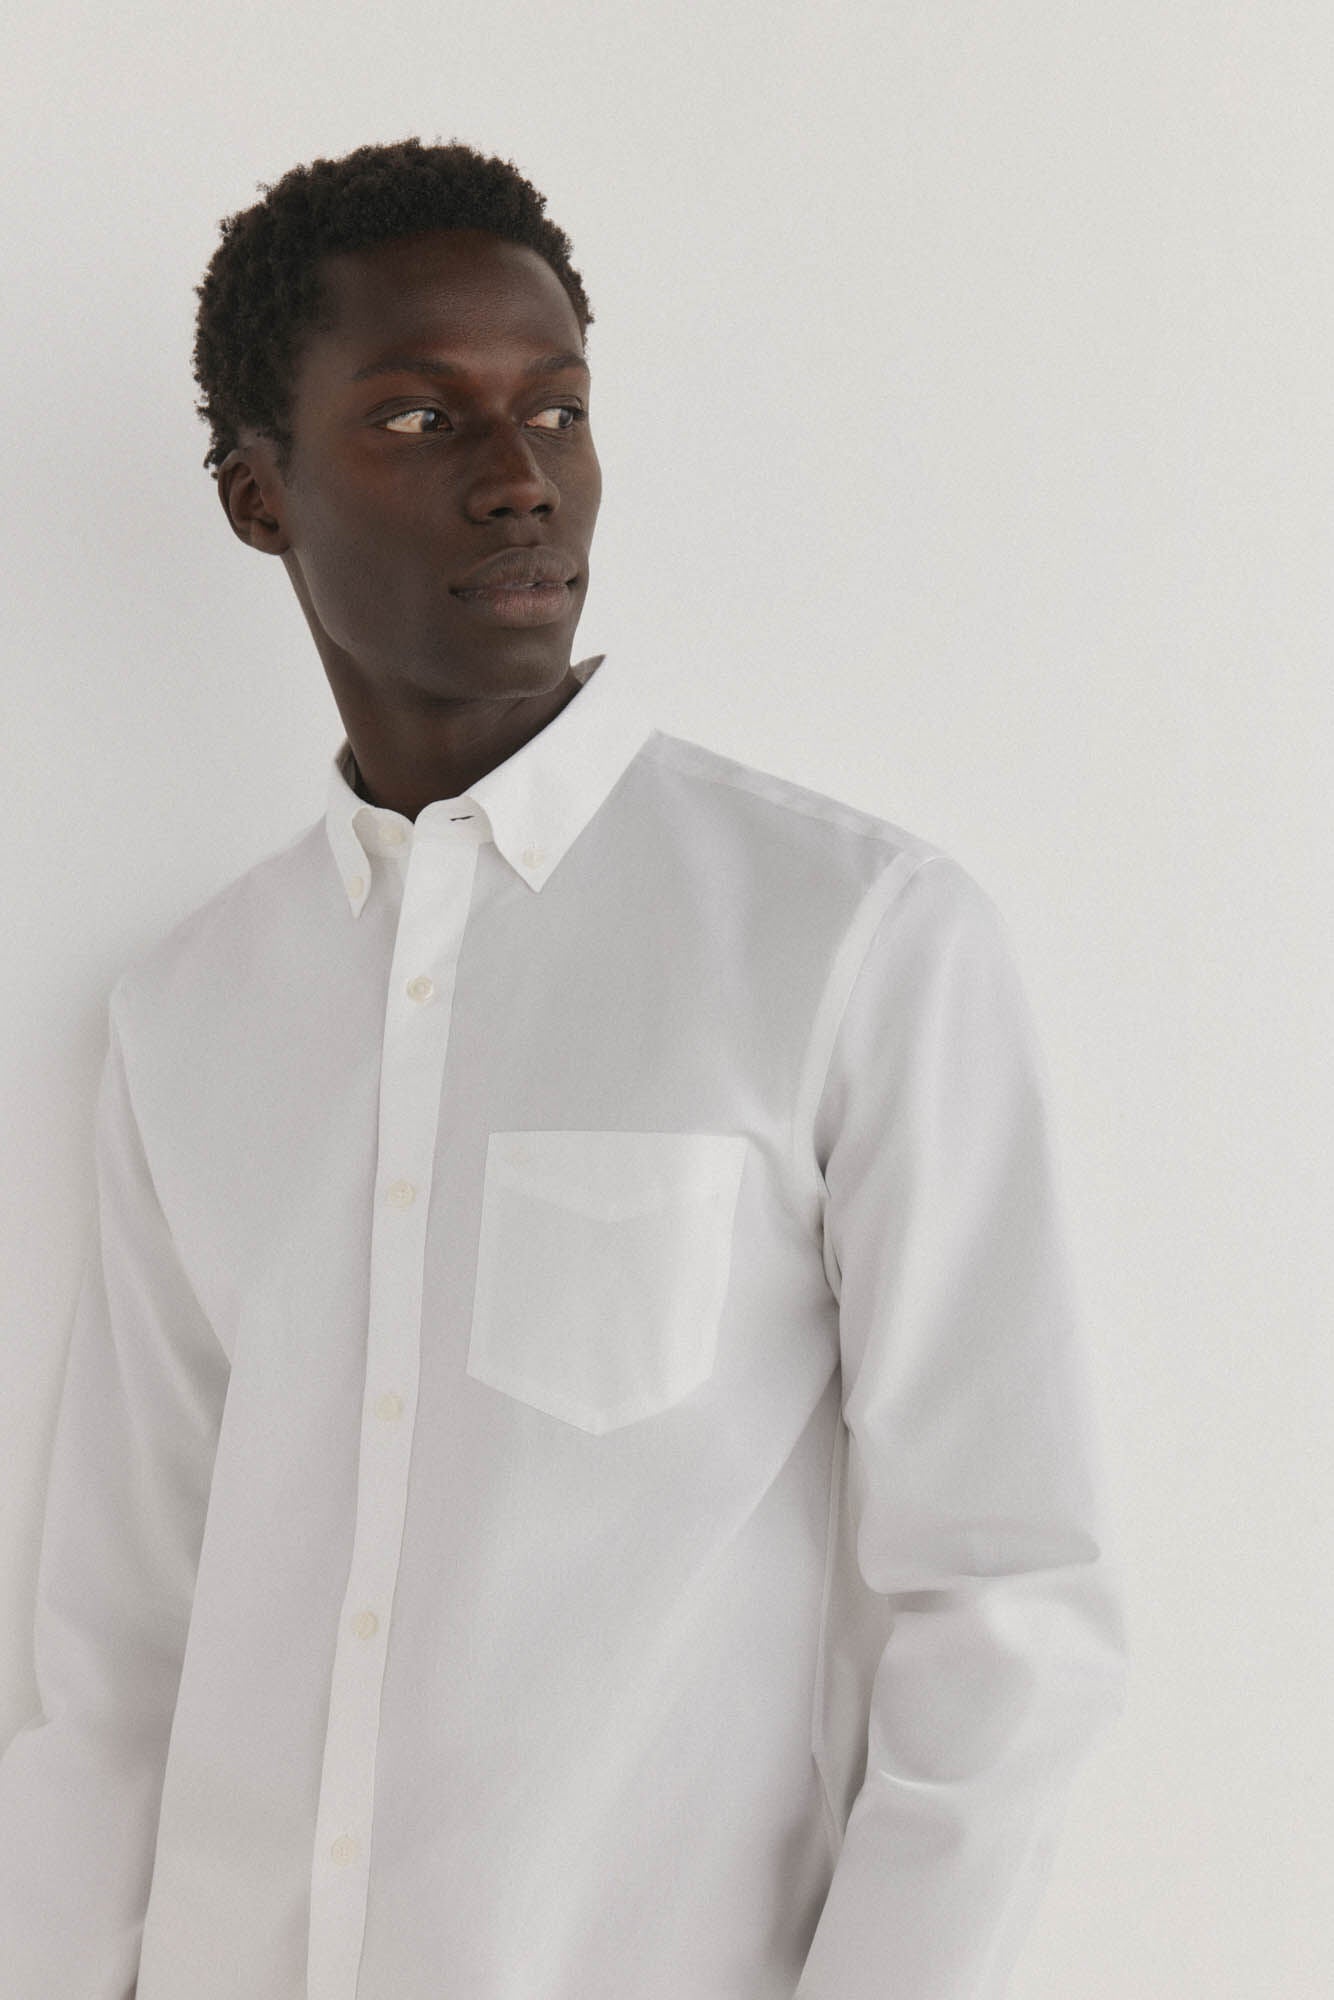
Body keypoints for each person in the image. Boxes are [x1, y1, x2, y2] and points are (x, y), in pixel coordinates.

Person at [0, 136, 1128, 1999]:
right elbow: (118, 1643)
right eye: (419, 418)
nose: (519, 477)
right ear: (261, 496)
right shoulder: (190, 1011)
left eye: (557, 410)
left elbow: (1002, 1602)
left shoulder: (848, 937)